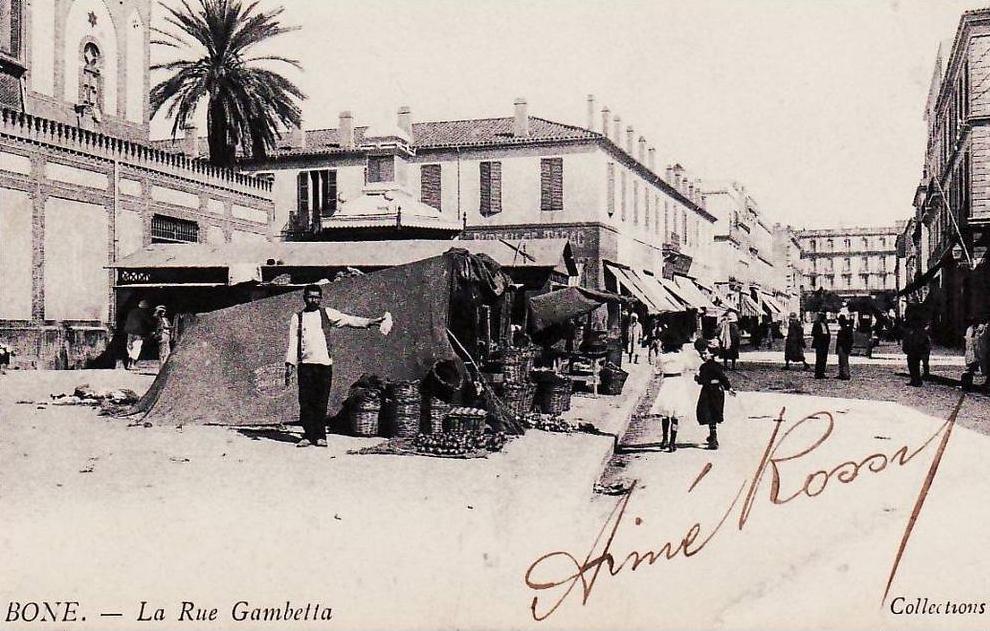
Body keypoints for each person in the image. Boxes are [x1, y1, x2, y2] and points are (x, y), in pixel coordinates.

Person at [284, 284, 389, 448]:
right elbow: (293, 342)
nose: (314, 300)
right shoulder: (297, 317)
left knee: (321, 401)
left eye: (317, 297)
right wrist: (289, 364)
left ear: (321, 298)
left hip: (324, 365)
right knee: (305, 402)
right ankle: (307, 435)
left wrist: (371, 322)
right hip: (305, 366)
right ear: (305, 298)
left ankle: (320, 436)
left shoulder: (327, 313)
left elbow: (349, 320)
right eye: (311, 297)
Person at [648, 341, 702, 452]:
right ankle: (673, 442)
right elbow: (690, 367)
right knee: (675, 415)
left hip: (667, 382)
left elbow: (657, 371)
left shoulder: (661, 357)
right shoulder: (682, 356)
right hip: (678, 383)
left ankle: (664, 439)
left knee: (665, 413)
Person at [695, 346, 736, 450]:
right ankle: (712, 435)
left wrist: (697, 378)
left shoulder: (704, 367)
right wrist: (729, 388)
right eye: (702, 354)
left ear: (711, 354)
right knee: (714, 412)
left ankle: (713, 438)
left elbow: (703, 381)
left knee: (707, 412)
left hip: (708, 392)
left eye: (705, 353)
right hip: (718, 391)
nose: (703, 356)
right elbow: (723, 378)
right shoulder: (717, 366)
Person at [123, 299, 154, 370]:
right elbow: (149, 322)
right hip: (138, 333)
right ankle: (132, 364)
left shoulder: (132, 311)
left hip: (129, 332)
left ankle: (128, 364)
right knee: (137, 347)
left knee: (130, 346)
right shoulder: (143, 312)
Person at [902, 319, 928, 387]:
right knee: (912, 365)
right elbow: (907, 340)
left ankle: (917, 380)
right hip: (912, 350)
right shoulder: (912, 332)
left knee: (914, 365)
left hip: (916, 350)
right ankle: (914, 380)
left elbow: (922, 342)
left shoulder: (919, 332)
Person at [811, 312, 831, 379]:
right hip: (819, 343)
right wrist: (821, 336)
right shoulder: (816, 324)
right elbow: (813, 333)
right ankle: (818, 373)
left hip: (825, 343)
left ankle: (822, 372)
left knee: (824, 358)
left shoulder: (825, 324)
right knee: (819, 358)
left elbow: (828, 332)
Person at [835, 314, 853, 380]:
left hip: (844, 346)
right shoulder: (844, 328)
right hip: (842, 346)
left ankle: (846, 374)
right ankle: (842, 373)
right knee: (841, 361)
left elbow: (848, 339)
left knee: (844, 361)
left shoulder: (845, 328)